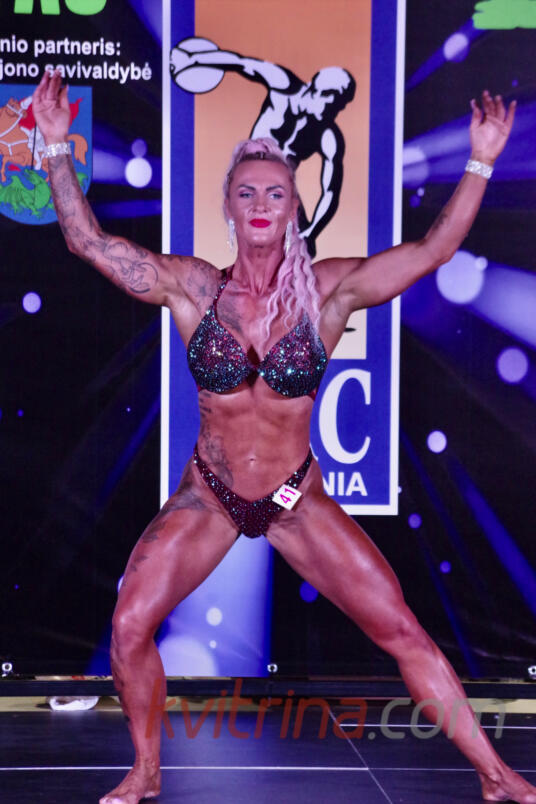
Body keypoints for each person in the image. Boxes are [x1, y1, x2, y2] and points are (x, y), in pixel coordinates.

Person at [31, 69, 536, 804]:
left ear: (295, 206)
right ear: (229, 208)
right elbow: (88, 242)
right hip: (209, 496)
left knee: (402, 629)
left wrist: (481, 160)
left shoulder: (328, 292)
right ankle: (145, 771)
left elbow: (432, 251)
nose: (262, 204)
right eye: (247, 193)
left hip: (295, 499)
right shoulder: (194, 289)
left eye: (275, 192)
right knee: (130, 624)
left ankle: (496, 775)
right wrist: (53, 145)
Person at [170, 38, 356, 255]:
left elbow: (330, 192)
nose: (335, 113)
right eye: (334, 106)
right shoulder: (283, 84)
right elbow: (240, 63)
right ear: (318, 91)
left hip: (279, 188)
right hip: (247, 176)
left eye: (340, 108)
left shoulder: (328, 135)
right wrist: (194, 58)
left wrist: (312, 232)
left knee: (305, 249)